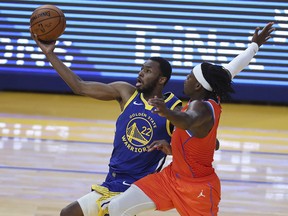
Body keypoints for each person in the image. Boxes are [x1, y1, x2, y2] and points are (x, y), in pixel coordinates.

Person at [108, 22, 275, 216]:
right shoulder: (210, 94)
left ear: (198, 86)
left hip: (198, 189)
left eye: (190, 77)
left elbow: (187, 120)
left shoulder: (202, 107)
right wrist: (254, 46)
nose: (186, 79)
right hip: (170, 178)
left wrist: (166, 111)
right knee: (117, 207)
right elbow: (232, 68)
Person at [31, 31, 182, 216]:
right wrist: (49, 54)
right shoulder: (126, 93)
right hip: (112, 180)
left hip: (139, 188)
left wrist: (172, 148)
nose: (141, 73)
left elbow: (190, 148)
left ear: (162, 80)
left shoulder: (174, 109)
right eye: (142, 69)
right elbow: (80, 86)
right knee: (68, 213)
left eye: (148, 71)